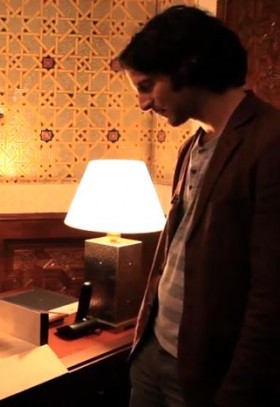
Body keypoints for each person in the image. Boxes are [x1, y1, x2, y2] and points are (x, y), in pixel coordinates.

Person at [118, 5, 280, 407]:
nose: (143, 104)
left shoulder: (270, 142)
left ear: (186, 66)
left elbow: (271, 295)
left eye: (147, 85)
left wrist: (237, 393)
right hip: (153, 351)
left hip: (206, 375)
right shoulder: (192, 145)